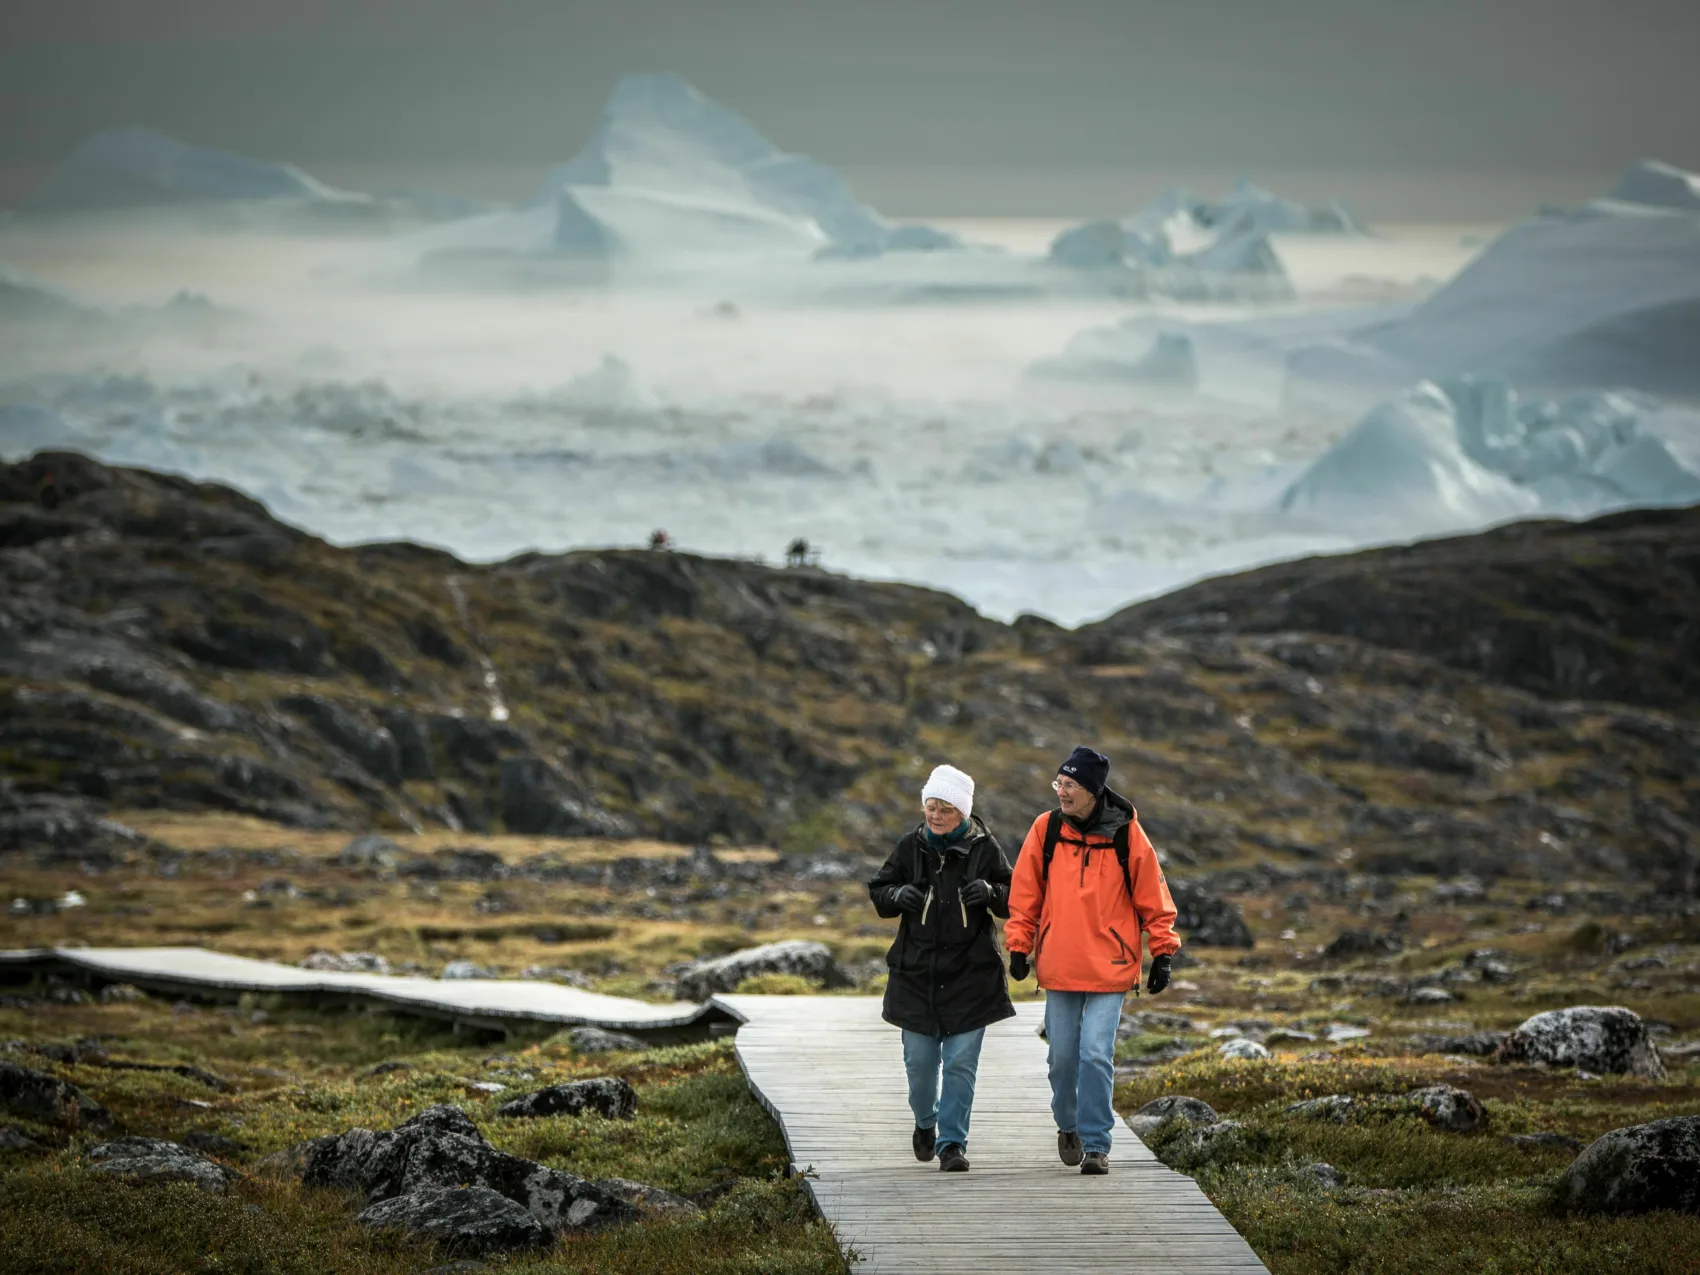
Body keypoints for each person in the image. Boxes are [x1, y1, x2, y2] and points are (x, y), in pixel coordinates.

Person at [1004, 746, 1180, 1176]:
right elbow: (1026, 895)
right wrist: (1018, 946)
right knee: (1062, 1058)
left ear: (1092, 791)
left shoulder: (1126, 834)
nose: (1061, 792)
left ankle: (1097, 1145)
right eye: (1058, 784)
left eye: (1069, 786)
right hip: (1060, 964)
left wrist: (1163, 952)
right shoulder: (1045, 830)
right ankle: (1068, 1126)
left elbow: (1153, 898)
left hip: (1111, 966)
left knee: (1096, 1054)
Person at [868, 763, 1015, 1173]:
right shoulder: (909, 846)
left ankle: (953, 1144)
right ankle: (925, 1121)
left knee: (960, 1065)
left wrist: (990, 891)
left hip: (972, 973)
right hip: (915, 975)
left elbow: (1015, 897)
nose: (934, 815)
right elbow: (878, 892)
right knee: (919, 1063)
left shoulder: (985, 848)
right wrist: (898, 894)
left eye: (944, 808)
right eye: (930, 806)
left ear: (962, 813)